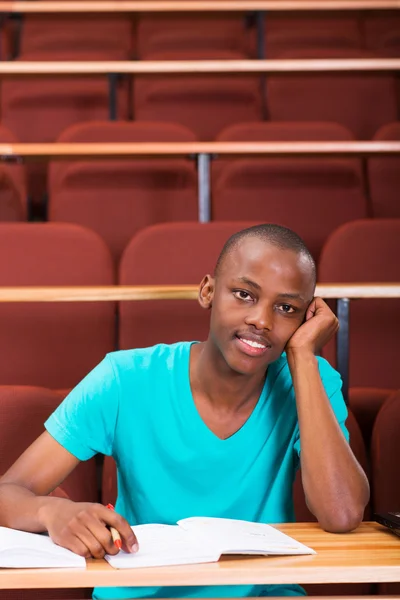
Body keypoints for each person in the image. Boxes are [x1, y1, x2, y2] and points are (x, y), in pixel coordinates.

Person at [0, 224, 369, 599]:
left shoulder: (310, 380)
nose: (262, 320)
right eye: (244, 294)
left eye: (286, 308)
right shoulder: (124, 379)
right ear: (208, 291)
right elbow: (8, 492)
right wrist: (51, 513)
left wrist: (303, 357)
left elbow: (341, 514)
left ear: (306, 319)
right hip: (143, 593)